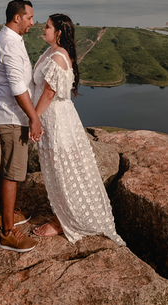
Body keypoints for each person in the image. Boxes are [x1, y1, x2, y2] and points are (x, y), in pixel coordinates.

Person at [29, 13, 125, 245]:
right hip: (54, 119)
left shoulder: (59, 57)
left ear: (58, 33)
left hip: (57, 121)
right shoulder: (51, 52)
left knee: (63, 170)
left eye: (48, 26)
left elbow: (49, 94)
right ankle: (61, 215)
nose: (43, 28)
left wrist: (35, 119)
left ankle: (64, 221)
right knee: (57, 168)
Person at [0, 0, 42, 252]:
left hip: (8, 115)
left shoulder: (11, 38)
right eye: (30, 17)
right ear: (17, 17)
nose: (33, 22)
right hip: (12, 118)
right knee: (12, 172)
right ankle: (8, 233)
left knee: (7, 167)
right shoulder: (9, 44)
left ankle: (6, 216)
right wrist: (34, 117)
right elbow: (18, 88)